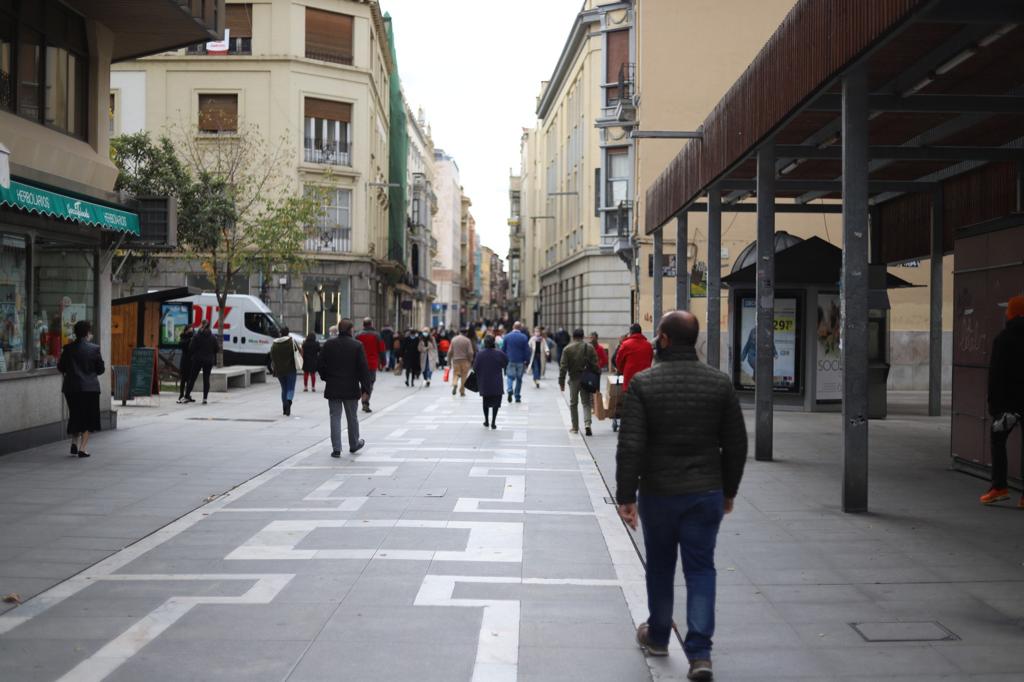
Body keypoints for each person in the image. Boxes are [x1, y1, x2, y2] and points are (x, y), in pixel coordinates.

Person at [616, 311, 747, 678]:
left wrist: (626, 496)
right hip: (705, 492)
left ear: (665, 339)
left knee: (659, 566)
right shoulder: (719, 383)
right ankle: (700, 654)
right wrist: (729, 490)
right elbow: (736, 444)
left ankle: (658, 636)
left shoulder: (644, 383)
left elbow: (631, 445)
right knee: (701, 569)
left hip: (659, 493)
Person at [980, 295, 1024, 506]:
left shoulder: (1004, 339)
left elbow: (996, 375)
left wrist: (994, 406)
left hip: (1008, 404)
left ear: (1013, 313)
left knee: (998, 441)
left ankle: (999, 487)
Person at [318, 319, 372, 457]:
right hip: (351, 388)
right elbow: (363, 369)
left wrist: (326, 377)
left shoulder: (329, 344)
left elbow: (320, 364)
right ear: (350, 330)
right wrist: (366, 389)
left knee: (335, 417)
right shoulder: (357, 345)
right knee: (352, 417)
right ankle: (354, 444)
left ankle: (336, 449)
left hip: (333, 387)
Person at [58, 319, 105, 458]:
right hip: (90, 388)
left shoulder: (68, 348)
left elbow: (61, 367)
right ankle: (82, 449)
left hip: (71, 387)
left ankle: (74, 441)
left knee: (75, 414)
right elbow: (101, 369)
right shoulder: (94, 349)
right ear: (88, 333)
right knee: (88, 418)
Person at [559, 328, 600, 436]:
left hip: (574, 379)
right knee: (586, 403)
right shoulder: (589, 347)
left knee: (573, 403)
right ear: (583, 336)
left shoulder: (567, 349)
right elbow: (596, 364)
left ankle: (575, 427)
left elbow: (563, 367)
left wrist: (561, 382)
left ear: (573, 337)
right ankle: (587, 424)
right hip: (586, 379)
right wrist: (597, 376)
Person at [474, 334, 509, 429]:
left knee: (485, 402)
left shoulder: (480, 354)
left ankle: (486, 421)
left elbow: (475, 367)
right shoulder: (499, 353)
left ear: (484, 343)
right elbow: (506, 362)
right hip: (496, 382)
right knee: (496, 403)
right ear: (494, 342)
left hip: (485, 382)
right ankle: (493, 422)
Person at [269, 326, 301, 416]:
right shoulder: (291, 342)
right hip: (290, 369)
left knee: (284, 388)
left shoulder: (274, 344)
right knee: (290, 387)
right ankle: (289, 401)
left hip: (279, 370)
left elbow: (272, 356)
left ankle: (284, 407)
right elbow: (299, 351)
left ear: (280, 333)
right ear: (288, 333)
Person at [356, 318, 386, 411]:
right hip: (372, 363)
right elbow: (382, 350)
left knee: (362, 382)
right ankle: (366, 400)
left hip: (360, 363)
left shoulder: (358, 335)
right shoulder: (377, 335)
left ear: (363, 324)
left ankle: (364, 396)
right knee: (370, 382)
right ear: (371, 324)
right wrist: (383, 362)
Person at [616, 323, 654, 393]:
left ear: (631, 332)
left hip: (630, 380)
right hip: (645, 379)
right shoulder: (648, 345)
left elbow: (618, 361)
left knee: (630, 401)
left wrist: (622, 370)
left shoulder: (625, 345)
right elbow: (650, 360)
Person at [186, 319, 217, 404]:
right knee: (206, 379)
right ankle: (205, 398)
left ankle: (187, 395)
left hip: (197, 360)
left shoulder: (197, 336)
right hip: (208, 361)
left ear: (201, 325)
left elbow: (191, 348)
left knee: (192, 378)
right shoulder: (213, 337)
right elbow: (216, 349)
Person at [503, 321, 531, 403]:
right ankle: (517, 396)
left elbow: (503, 350)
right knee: (519, 379)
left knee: (510, 376)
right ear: (520, 328)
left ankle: (509, 388)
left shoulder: (507, 336)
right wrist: (527, 360)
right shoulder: (524, 337)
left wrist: (503, 359)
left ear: (513, 327)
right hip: (520, 361)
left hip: (510, 360)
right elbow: (527, 350)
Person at [449, 328, 475, 396]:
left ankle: (455, 384)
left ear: (459, 332)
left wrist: (449, 361)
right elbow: (470, 352)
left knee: (456, 374)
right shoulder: (467, 340)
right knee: (464, 376)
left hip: (455, 360)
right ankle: (462, 391)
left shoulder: (454, 339)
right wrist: (471, 360)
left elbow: (450, 351)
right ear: (466, 333)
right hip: (465, 361)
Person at [176, 326, 194, 404]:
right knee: (183, 379)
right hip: (185, 360)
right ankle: (181, 395)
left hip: (191, 360)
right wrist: (189, 339)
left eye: (192, 330)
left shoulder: (193, 337)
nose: (191, 331)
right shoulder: (183, 337)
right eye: (190, 329)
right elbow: (181, 345)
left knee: (190, 379)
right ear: (186, 330)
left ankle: (188, 395)